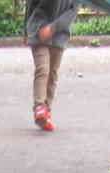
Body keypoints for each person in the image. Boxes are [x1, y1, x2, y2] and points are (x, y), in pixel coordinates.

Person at [23, 0, 78, 130]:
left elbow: (72, 12)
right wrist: (26, 31)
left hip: (59, 35)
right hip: (38, 30)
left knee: (52, 74)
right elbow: (30, 5)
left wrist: (53, 28)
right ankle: (39, 106)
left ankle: (46, 112)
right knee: (43, 69)